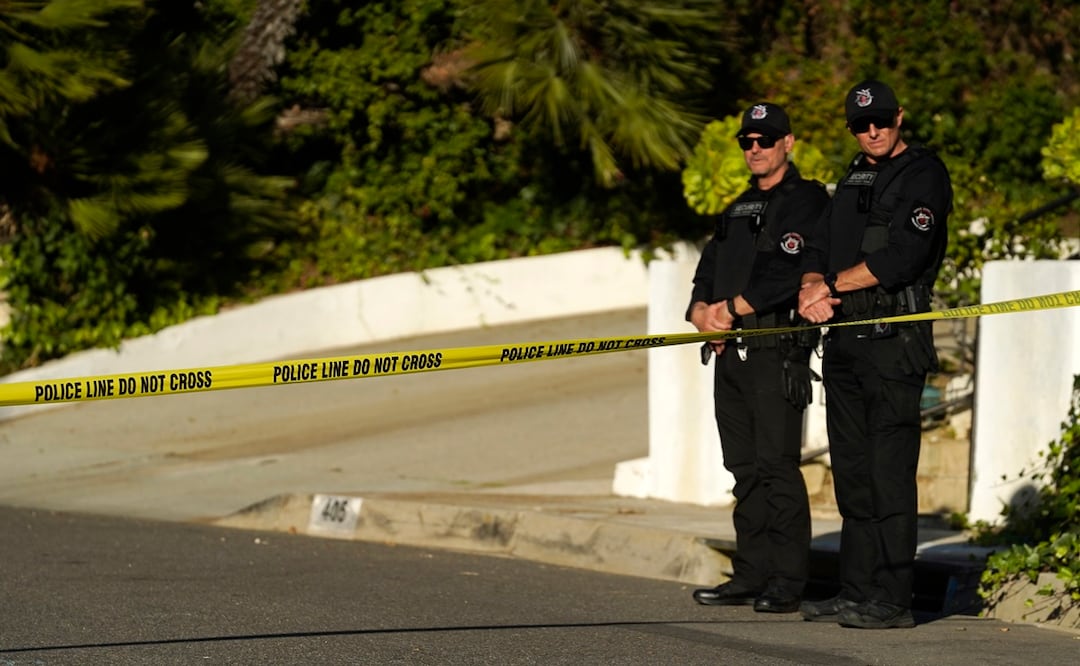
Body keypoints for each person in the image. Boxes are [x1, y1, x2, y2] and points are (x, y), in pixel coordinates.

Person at [797, 80, 952, 629]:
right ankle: (856, 589)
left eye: (882, 121)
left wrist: (829, 287)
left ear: (899, 116)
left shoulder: (923, 174)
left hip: (892, 343)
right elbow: (818, 244)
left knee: (889, 475)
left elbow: (904, 256)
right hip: (845, 343)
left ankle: (893, 598)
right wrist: (811, 284)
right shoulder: (854, 174)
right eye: (862, 125)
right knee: (854, 475)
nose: (873, 130)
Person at [688, 102, 829, 614]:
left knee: (777, 468)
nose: (754, 149)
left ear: (787, 143)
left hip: (774, 349)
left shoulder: (806, 200)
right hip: (730, 353)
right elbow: (708, 266)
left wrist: (732, 309)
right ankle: (750, 574)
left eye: (765, 141)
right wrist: (702, 310)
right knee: (743, 470)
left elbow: (789, 274)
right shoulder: (738, 207)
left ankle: (787, 581)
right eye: (747, 142)